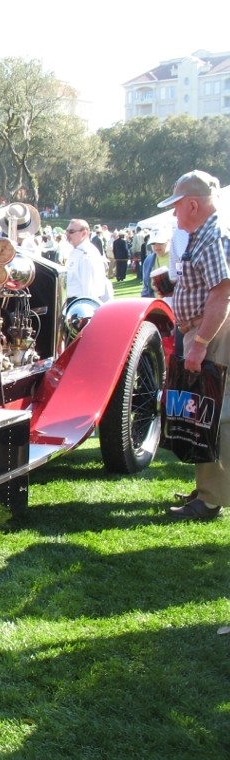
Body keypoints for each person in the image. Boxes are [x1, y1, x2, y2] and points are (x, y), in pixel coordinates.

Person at [161, 170, 230, 520]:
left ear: (192, 204)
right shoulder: (203, 235)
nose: (174, 214)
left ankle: (211, 498)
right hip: (202, 329)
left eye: (176, 207)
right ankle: (207, 490)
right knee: (203, 412)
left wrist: (201, 342)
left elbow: (221, 293)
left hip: (211, 332)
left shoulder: (213, 236)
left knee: (214, 413)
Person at [64, 219, 113, 304]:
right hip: (74, 302)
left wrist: (83, 313)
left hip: (81, 305)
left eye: (71, 231)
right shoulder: (77, 251)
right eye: (67, 231)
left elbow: (89, 291)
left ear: (84, 233)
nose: (67, 234)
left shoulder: (86, 255)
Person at [140, 227, 172, 299]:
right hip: (157, 306)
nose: (156, 247)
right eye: (153, 243)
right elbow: (146, 287)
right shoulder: (148, 261)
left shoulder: (178, 258)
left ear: (169, 241)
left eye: (160, 243)